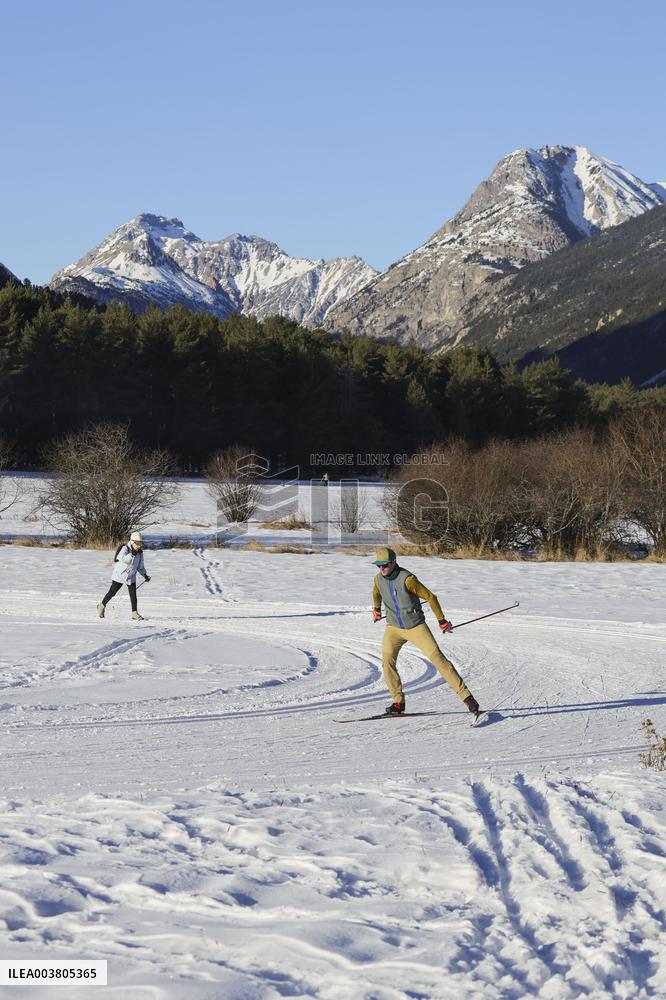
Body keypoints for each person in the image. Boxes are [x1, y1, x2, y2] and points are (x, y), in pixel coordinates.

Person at [371, 546, 481, 718]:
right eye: (378, 565)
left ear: (393, 562)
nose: (381, 568)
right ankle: (398, 702)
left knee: (439, 660)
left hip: (416, 627)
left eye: (384, 565)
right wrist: (376, 609)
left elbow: (431, 597)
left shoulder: (408, 579)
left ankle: (467, 698)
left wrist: (442, 621)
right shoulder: (378, 579)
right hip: (393, 628)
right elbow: (376, 593)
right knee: (387, 661)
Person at [97, 531, 150, 621]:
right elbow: (123, 559)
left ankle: (134, 613)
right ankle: (101, 605)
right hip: (120, 575)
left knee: (133, 595)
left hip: (131, 576)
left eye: (140, 543)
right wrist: (131, 554)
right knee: (112, 592)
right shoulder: (125, 548)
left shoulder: (140, 553)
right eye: (137, 543)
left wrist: (144, 575)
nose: (139, 545)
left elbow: (140, 566)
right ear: (132, 542)